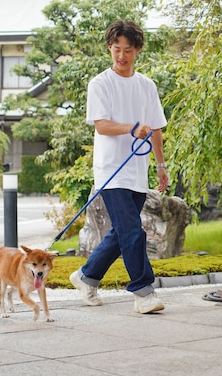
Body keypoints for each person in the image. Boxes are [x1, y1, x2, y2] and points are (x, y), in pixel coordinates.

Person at [70, 19, 169, 314]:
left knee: (120, 234)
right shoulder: (100, 84)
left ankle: (86, 277)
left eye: (128, 50)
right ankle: (143, 291)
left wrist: (161, 166)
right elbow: (101, 126)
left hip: (138, 171)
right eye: (116, 49)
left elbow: (157, 130)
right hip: (110, 171)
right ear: (109, 49)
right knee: (133, 231)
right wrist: (132, 128)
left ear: (137, 50)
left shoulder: (146, 86)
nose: (122, 55)